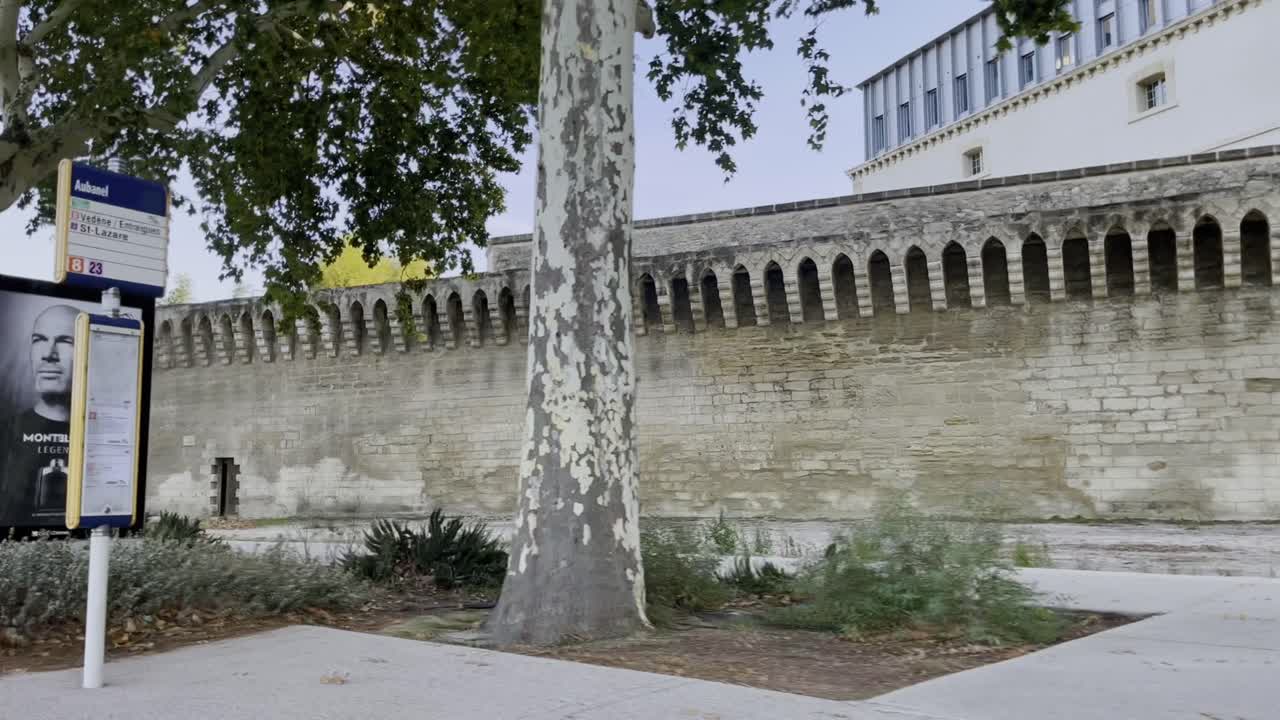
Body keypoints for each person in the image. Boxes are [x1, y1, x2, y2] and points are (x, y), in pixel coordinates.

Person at [0, 304, 80, 527]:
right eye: (39, 340)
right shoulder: (5, 432)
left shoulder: (104, 438)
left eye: (65, 341)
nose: (48, 354)